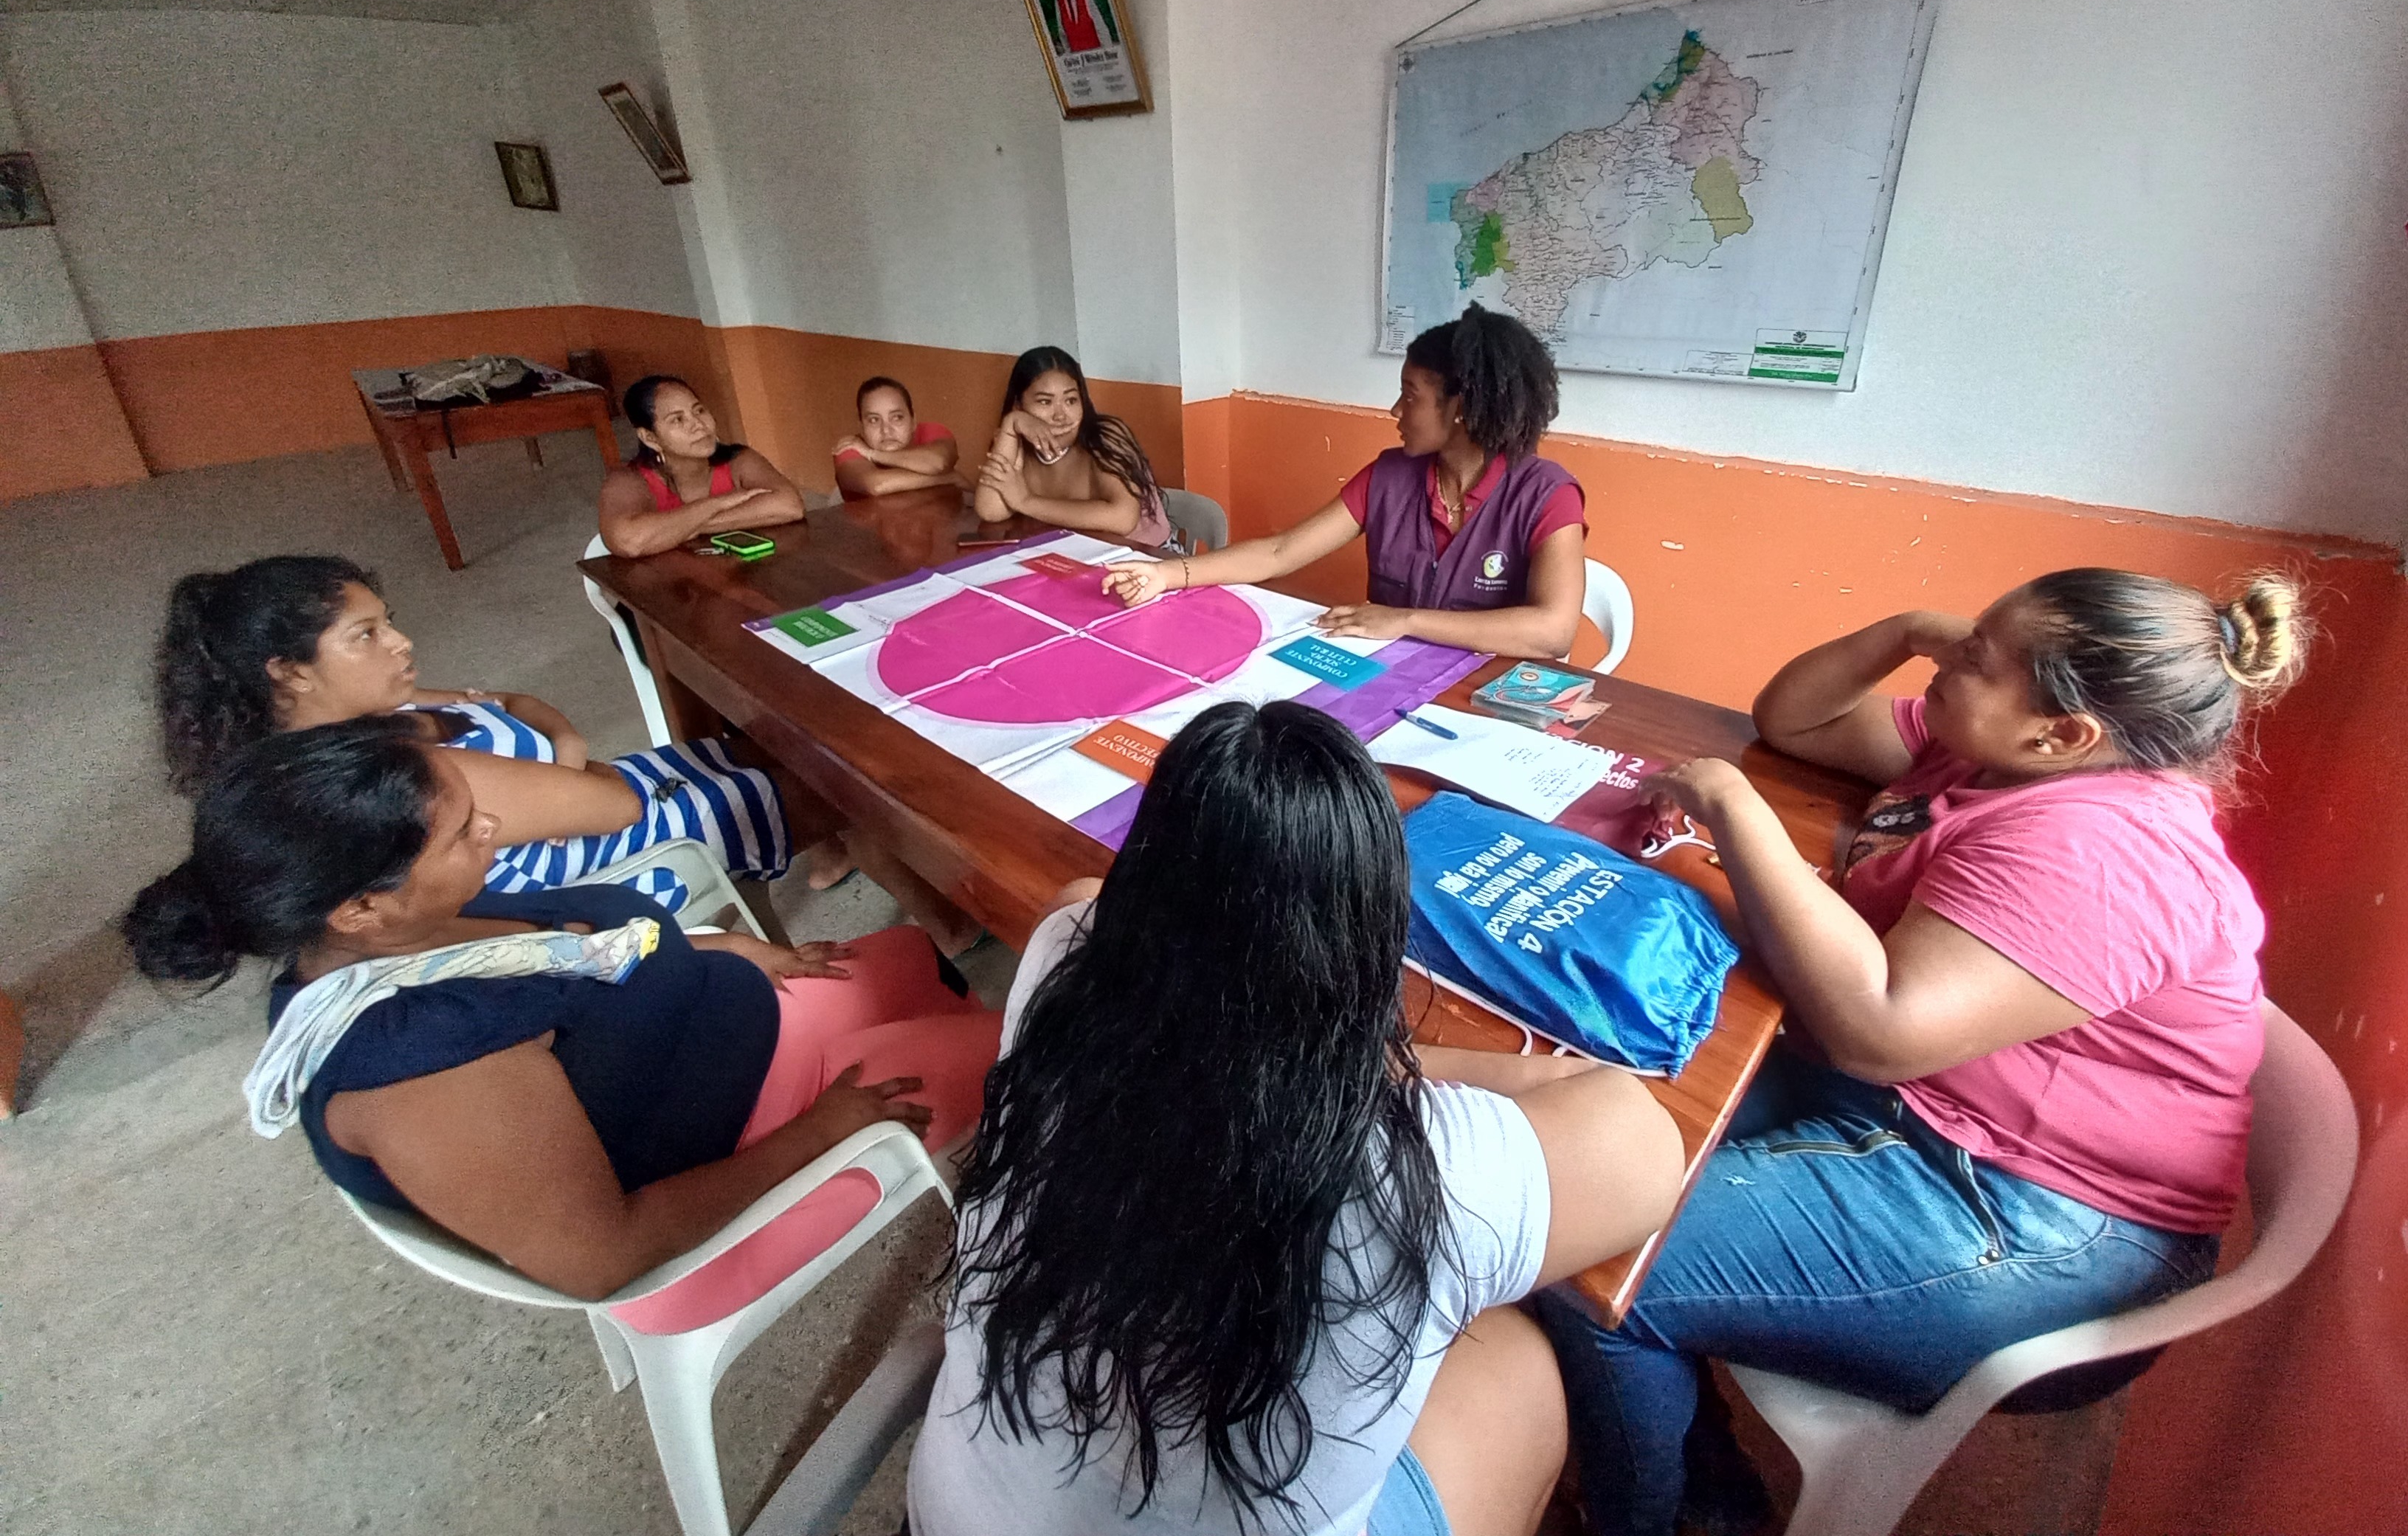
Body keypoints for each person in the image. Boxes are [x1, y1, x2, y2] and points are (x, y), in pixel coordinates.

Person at [1533, 569, 2308, 1536]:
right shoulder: (1990, 753)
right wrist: (1905, 630)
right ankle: (1692, 1462)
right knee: (1605, 1097)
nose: (1949, 660)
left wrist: (1737, 810)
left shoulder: (2101, 852)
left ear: (2063, 734)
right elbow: (1797, 721)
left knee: (1590, 1253)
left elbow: (1877, 1031)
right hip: (1928, 1110)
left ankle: (1679, 1515)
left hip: (2039, 1215)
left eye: (1978, 658)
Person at [909, 700, 1686, 1536]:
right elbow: (1643, 1142)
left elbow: (1084, 899)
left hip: (955, 1513)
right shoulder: (1426, 1173)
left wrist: (1257, 1021)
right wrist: (1350, 1055)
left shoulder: (1062, 971)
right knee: (1520, 1367)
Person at [121, 720, 999, 1313]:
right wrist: (823, 1130)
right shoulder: (421, 1066)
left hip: (700, 1037)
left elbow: (581, 954)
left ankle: (966, 1106)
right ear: (359, 908)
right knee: (1028, 1041)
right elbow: (603, 1259)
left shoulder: (402, 923)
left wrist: (727, 951)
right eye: (462, 832)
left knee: (912, 961)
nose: (493, 828)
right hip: (728, 1172)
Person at [156, 555, 791, 900]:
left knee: (755, 748)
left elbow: (512, 700)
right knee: (814, 780)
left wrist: (567, 750)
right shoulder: (408, 775)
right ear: (291, 672)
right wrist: (575, 766)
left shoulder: (364, 715)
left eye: (388, 621)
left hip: (594, 796)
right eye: (367, 635)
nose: (401, 642)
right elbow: (616, 807)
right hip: (623, 857)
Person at [1104, 306, 1586, 659]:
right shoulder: (1390, 477)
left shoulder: (1547, 496)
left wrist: (1406, 620)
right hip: (1392, 671)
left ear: (1460, 409)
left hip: (1487, 692)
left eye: (1410, 396)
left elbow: (1553, 631)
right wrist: (1166, 576)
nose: (1395, 411)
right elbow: (1280, 552)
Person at [972, 345, 1172, 547]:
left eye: (1071, 400)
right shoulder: (1017, 442)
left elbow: (1123, 519)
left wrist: (1026, 502)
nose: (1061, 416)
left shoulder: (1105, 437)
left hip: (1149, 556)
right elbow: (990, 511)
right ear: (1019, 405)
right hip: (1079, 554)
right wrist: (1011, 423)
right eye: (1045, 402)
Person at [598, 375, 806, 558]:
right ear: (650, 438)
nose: (699, 424)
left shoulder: (738, 460)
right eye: (678, 420)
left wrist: (685, 527)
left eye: (699, 411)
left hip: (738, 579)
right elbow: (629, 541)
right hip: (667, 585)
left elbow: (789, 505)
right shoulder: (629, 480)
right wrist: (718, 503)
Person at [834, 376, 962, 501]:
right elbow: (877, 485)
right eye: (874, 420)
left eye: (897, 418)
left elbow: (939, 463)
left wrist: (872, 454)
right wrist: (947, 477)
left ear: (913, 421)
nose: (886, 430)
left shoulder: (932, 432)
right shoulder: (850, 446)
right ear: (861, 427)